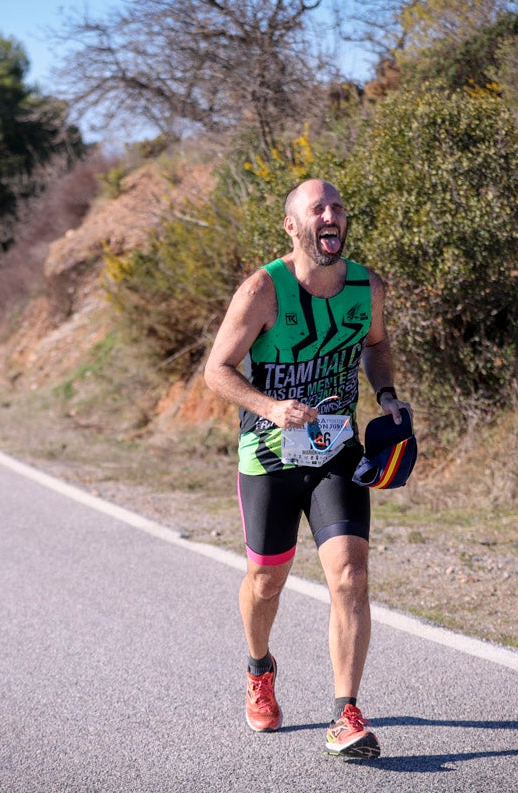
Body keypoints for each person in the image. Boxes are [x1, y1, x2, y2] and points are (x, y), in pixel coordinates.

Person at [203, 178, 410, 758]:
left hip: (337, 450)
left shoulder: (367, 286)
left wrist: (386, 394)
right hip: (268, 456)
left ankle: (346, 713)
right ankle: (259, 668)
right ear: (292, 227)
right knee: (266, 580)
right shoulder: (262, 290)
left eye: (337, 207)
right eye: (317, 208)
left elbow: (375, 344)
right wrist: (271, 407)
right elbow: (217, 370)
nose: (331, 215)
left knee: (350, 575)